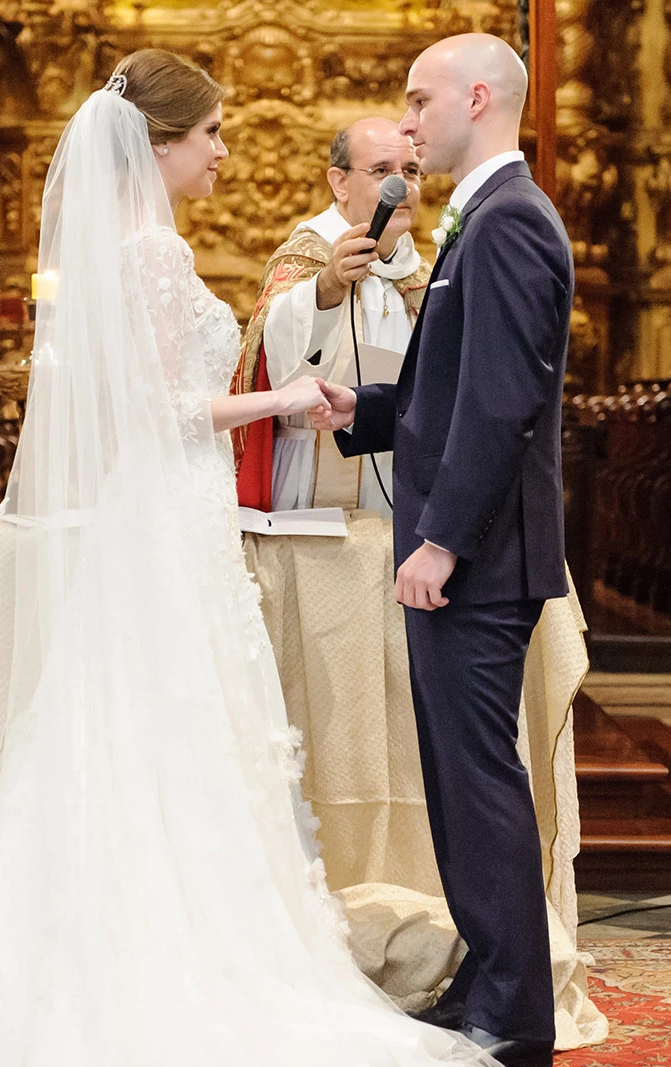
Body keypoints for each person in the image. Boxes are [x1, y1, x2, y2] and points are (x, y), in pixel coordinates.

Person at [0, 49, 500, 1067]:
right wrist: (282, 399)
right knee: (174, 724)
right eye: (208, 134)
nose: (222, 153)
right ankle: (173, 950)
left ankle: (99, 932)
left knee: (129, 728)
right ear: (158, 143)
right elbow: (160, 410)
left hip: (160, 516)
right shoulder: (152, 252)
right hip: (167, 519)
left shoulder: (124, 247)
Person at [311, 33, 574, 1067]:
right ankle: (488, 975)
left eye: (420, 100)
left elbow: (503, 403)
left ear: (475, 98)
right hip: (471, 548)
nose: (408, 120)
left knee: (477, 778)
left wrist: (441, 542)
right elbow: (453, 387)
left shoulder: (509, 220)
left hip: (480, 556)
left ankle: (514, 1014)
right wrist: (365, 410)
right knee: (459, 781)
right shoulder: (487, 213)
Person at [233, 118, 430, 514]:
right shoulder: (306, 258)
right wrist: (327, 287)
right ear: (340, 183)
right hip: (310, 472)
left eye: (411, 171)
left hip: (398, 478)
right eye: (382, 171)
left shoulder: (422, 276)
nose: (402, 186)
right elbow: (279, 367)